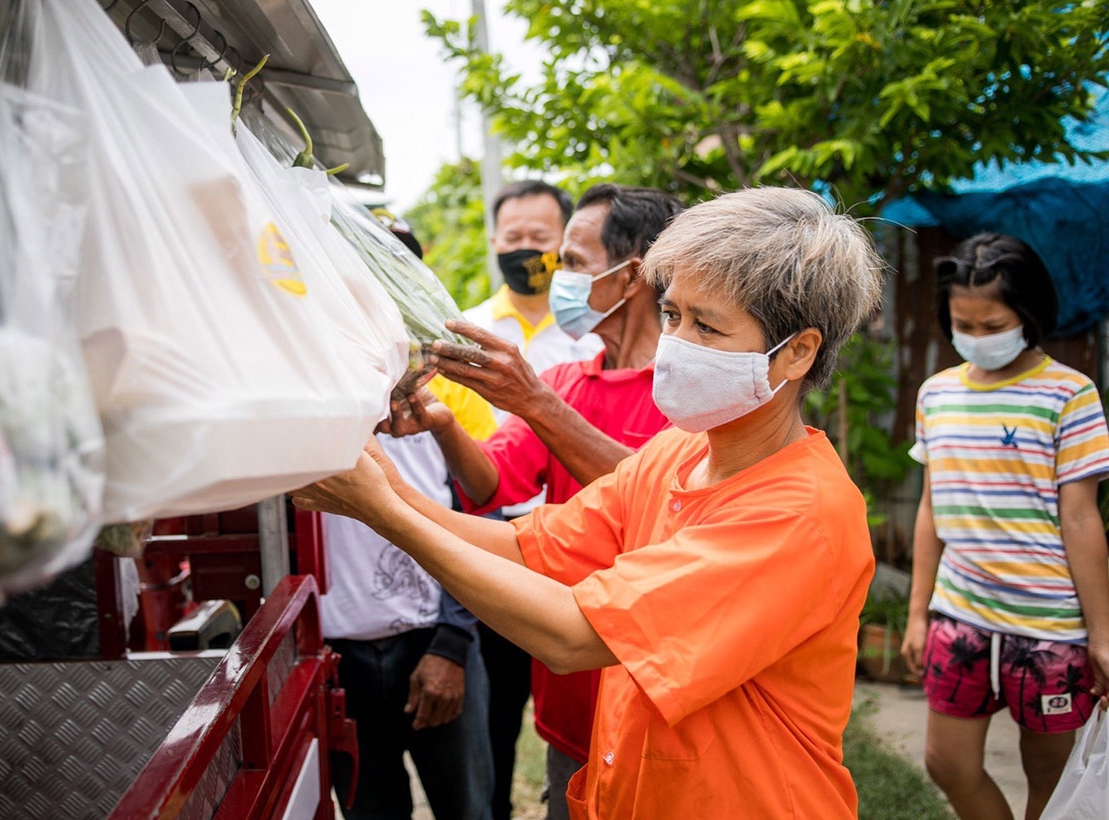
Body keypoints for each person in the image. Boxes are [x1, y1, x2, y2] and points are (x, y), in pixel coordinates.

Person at [294, 186, 885, 817]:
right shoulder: (678, 452)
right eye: (672, 315)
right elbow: (525, 546)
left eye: (706, 326)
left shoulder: (797, 512)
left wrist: (383, 511)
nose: (676, 342)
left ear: (797, 352)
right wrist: (388, 488)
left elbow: (574, 634)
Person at [386, 183, 683, 818]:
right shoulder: (566, 382)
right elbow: (492, 483)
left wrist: (536, 403)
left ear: (631, 276)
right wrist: (443, 425)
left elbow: (664, 501)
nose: (558, 278)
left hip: (657, 692)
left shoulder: (688, 394)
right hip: (570, 690)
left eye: (573, 262)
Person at [899, 232, 1109, 820]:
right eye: (963, 325)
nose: (977, 337)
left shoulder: (1070, 395)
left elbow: (1080, 516)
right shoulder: (936, 394)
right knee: (947, 764)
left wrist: (1102, 636)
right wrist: (918, 612)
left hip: (1049, 629)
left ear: (1029, 314)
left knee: (1049, 778)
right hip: (958, 617)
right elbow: (931, 507)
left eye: (992, 325)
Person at [321, 217, 494, 820]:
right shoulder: (309, 390)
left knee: (467, 806)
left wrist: (453, 641)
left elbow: (482, 509)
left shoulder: (447, 390)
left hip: (434, 638)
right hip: (338, 655)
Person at [448, 179, 601, 819]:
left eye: (540, 238)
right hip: (496, 543)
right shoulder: (466, 330)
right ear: (493, 241)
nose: (525, 249)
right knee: (495, 715)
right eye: (513, 237)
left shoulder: (593, 334)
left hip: (583, 551)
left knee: (587, 713)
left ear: (563, 243)